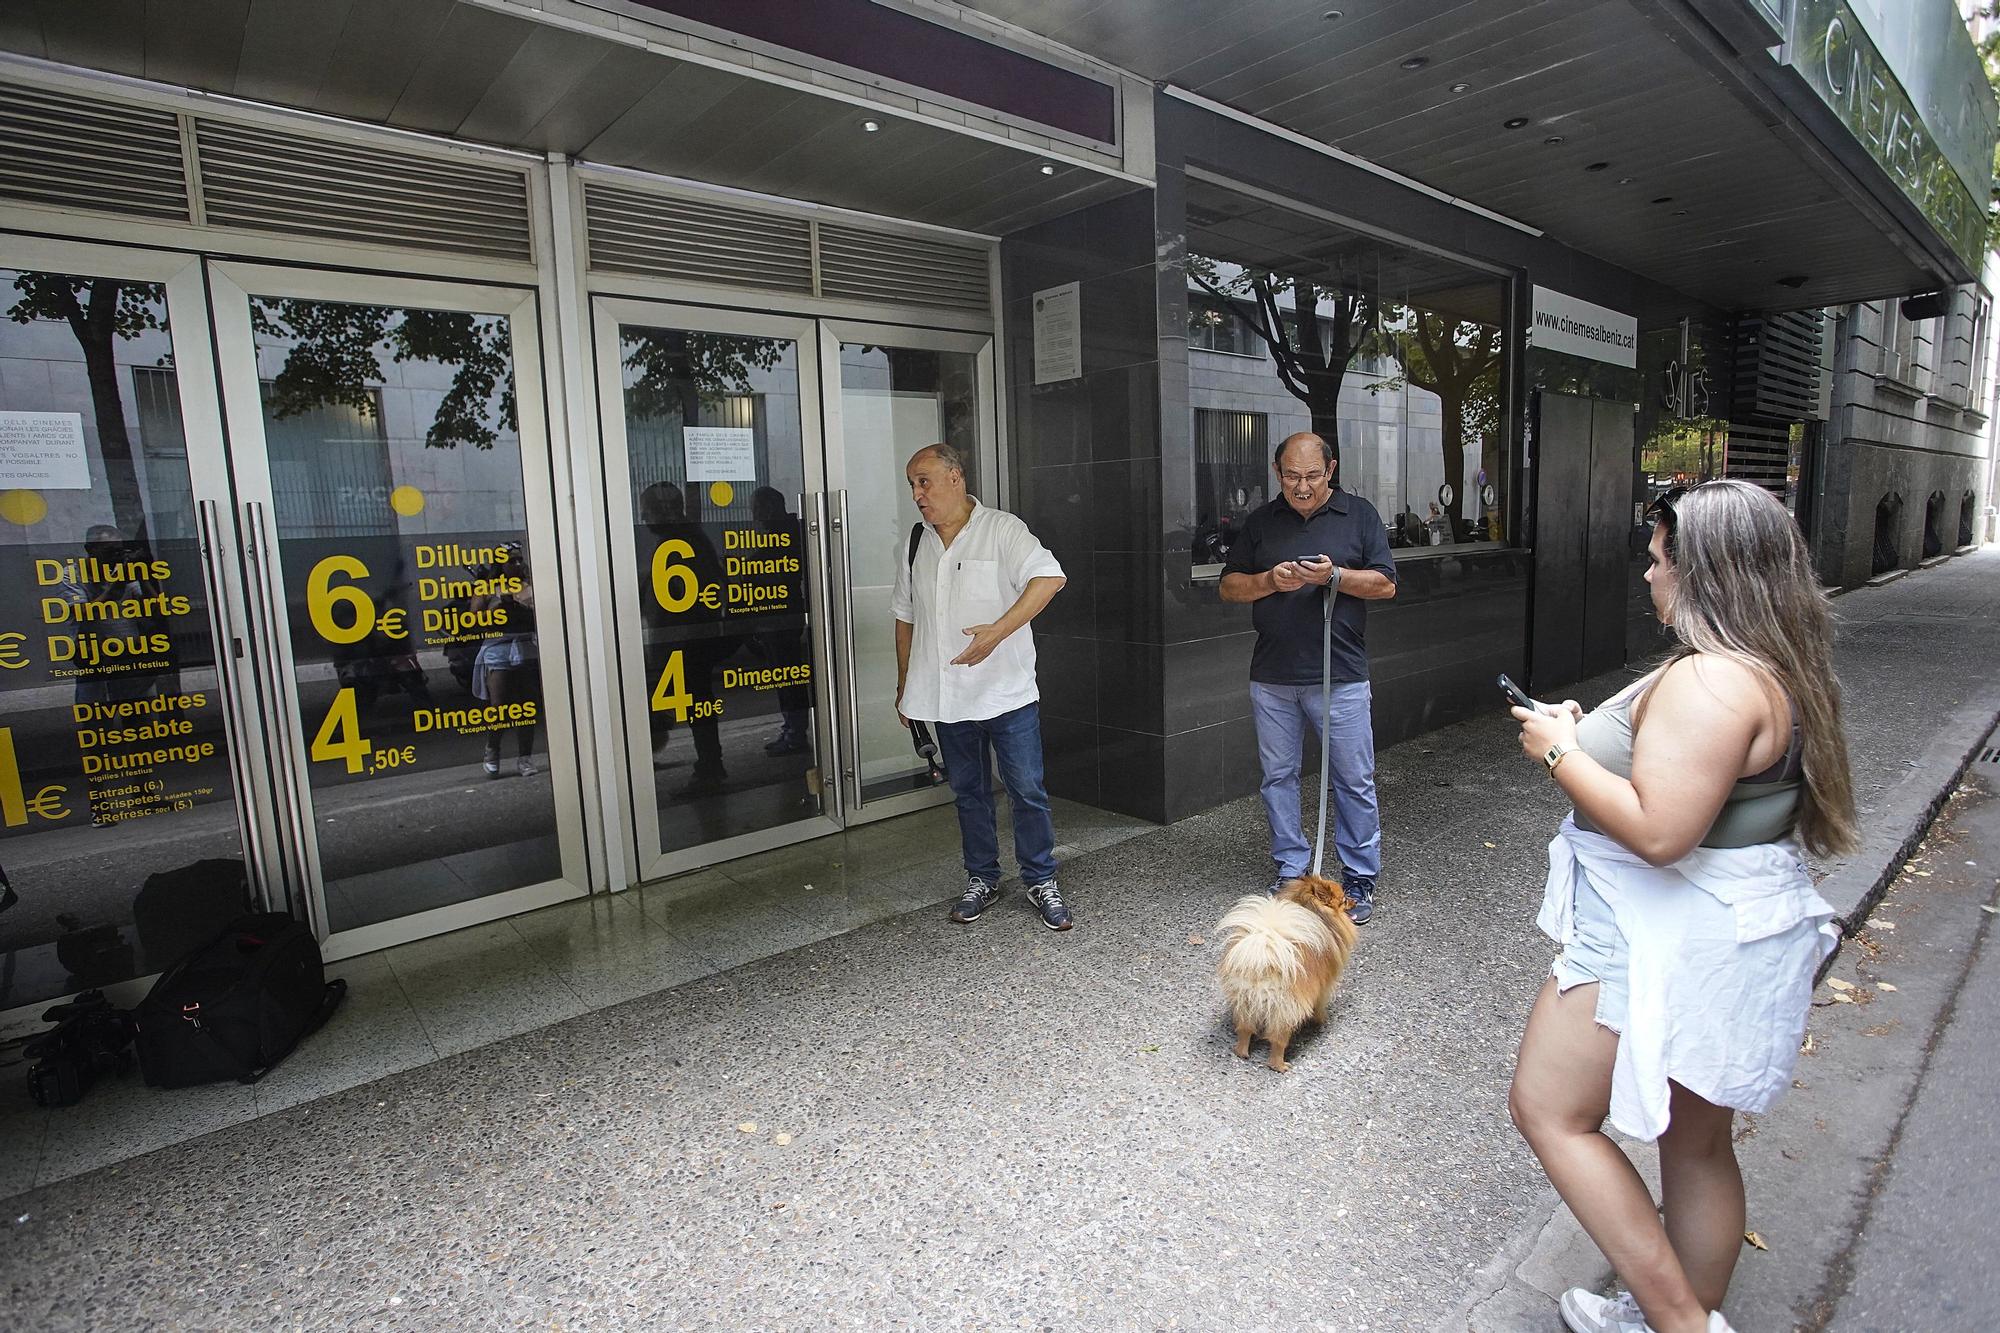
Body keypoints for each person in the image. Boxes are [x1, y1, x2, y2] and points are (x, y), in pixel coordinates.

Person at [1505, 480, 1857, 1333]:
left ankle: (1681, 1324)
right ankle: (1674, 1310)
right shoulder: (1773, 668)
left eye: (1660, 560)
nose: (1650, 575)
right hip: (1719, 929)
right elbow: (1677, 778)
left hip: (1654, 932)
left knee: (1549, 1109)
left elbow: (1662, 830)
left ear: (1707, 572)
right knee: (1695, 1144)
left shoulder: (1712, 681)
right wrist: (1594, 736)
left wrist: (1558, 751)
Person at [1219, 432, 1397, 923]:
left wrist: (1334, 577)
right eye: (1292, 476)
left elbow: (1385, 584)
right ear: (1278, 473)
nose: (1302, 486)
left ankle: (1359, 878)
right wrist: (1268, 581)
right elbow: (1229, 587)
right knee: (1278, 777)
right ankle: (1292, 869)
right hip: (1272, 676)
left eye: (1312, 476)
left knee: (1353, 779)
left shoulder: (1358, 515)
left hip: (1339, 675)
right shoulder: (1261, 522)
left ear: (1331, 470)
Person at [891, 443, 1070, 930]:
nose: (917, 493)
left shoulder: (1002, 530)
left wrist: (998, 631)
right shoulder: (915, 542)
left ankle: (1040, 878)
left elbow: (1049, 578)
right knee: (968, 792)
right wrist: (906, 685)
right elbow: (905, 618)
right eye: (911, 484)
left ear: (955, 478)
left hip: (1007, 693)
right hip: (948, 699)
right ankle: (982, 878)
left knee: (1026, 789)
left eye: (923, 481)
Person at [469, 541, 540, 778]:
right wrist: (498, 602)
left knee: (526, 706)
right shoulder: (488, 587)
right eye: (512, 560)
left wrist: (521, 603)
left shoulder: (529, 584)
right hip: (498, 647)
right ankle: (493, 750)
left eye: (520, 559)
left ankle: (525, 758)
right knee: (499, 707)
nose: (518, 564)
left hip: (524, 645)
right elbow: (474, 618)